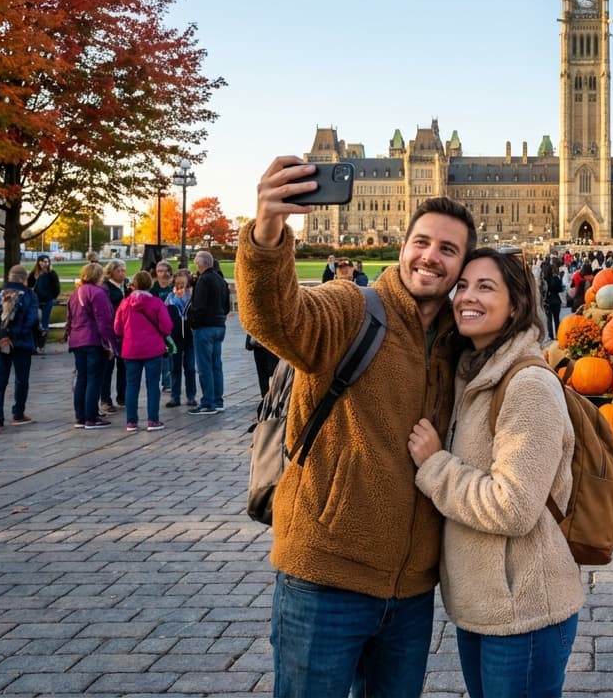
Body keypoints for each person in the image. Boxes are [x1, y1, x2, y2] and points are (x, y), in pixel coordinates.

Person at [235, 156, 475, 698]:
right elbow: (275, 317)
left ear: (462, 267)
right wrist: (268, 231)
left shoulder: (458, 346)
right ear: (403, 247)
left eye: (448, 249)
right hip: (325, 579)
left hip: (410, 593)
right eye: (422, 242)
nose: (430, 256)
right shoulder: (351, 308)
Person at [408, 247, 582, 698]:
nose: (468, 296)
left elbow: (514, 507)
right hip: (485, 608)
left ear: (516, 304)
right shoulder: (472, 373)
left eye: (486, 287)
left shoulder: (528, 385)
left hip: (524, 612)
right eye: (463, 286)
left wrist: (435, 465)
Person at [0, 265, 39, 434]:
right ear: (24, 278)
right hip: (22, 343)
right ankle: (18, 413)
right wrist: (15, 335)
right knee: (21, 380)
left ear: (9, 276)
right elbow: (31, 319)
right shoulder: (29, 295)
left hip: (0, 344)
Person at [113, 270, 172, 432]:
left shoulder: (125, 303)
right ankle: (153, 420)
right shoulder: (156, 303)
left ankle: (131, 421)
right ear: (150, 284)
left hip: (131, 348)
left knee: (131, 385)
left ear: (134, 285)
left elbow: (117, 329)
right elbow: (166, 326)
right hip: (153, 348)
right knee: (153, 385)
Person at [64, 262, 119, 429]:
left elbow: (69, 318)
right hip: (94, 340)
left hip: (77, 340)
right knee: (94, 379)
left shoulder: (75, 293)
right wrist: (109, 344)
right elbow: (104, 320)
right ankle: (91, 417)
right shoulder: (98, 293)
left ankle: (80, 416)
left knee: (82, 378)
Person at [186, 250, 229, 415]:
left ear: (200, 264)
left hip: (205, 327)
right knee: (216, 365)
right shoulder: (220, 280)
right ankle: (218, 401)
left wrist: (193, 323)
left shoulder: (203, 280)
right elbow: (226, 306)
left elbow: (199, 306)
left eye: (196, 263)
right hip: (219, 325)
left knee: (204, 366)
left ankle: (208, 403)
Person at [164, 270, 197, 408]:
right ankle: (175, 397)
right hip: (175, 337)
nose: (180, 285)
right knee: (174, 368)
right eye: (177, 282)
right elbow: (165, 315)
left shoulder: (192, 296)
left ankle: (191, 396)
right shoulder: (170, 297)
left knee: (190, 368)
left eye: (183, 282)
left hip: (189, 336)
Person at [99, 260, 129, 412]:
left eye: (124, 270)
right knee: (108, 367)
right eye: (119, 271)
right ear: (111, 272)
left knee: (123, 365)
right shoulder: (106, 288)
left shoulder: (125, 286)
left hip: (124, 331)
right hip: (111, 330)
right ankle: (105, 399)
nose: (122, 273)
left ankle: (122, 396)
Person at [149, 261, 176, 392]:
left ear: (170, 272)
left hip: (173, 324)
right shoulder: (153, 288)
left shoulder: (174, 287)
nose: (163, 273)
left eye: (165, 270)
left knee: (172, 353)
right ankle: (165, 382)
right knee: (163, 355)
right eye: (160, 271)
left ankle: (170, 381)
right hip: (157, 325)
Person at [26, 254, 60, 353]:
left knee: (44, 323)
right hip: (36, 301)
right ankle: (34, 344)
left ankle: (41, 345)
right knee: (34, 321)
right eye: (44, 261)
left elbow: (56, 288)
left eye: (47, 261)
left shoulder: (51, 273)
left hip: (47, 301)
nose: (46, 264)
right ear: (39, 262)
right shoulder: (34, 273)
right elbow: (29, 285)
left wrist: (52, 297)